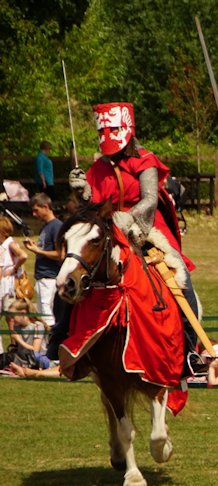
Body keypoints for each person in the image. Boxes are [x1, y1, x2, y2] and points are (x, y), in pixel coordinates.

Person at [65, 102, 200, 373]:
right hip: (105, 233)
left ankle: (188, 348)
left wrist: (128, 218)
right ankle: (69, 342)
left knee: (179, 276)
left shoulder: (144, 160)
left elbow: (150, 199)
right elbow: (93, 206)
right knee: (73, 272)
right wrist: (82, 191)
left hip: (144, 229)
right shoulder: (97, 167)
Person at [22, 193, 62, 328]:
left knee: (48, 317)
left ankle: (51, 347)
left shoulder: (56, 226)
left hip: (50, 278)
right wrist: (35, 246)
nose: (34, 214)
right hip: (42, 278)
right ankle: (45, 348)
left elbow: (60, 254)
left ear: (46, 207)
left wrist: (38, 251)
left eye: (36, 210)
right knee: (42, 317)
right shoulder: (46, 227)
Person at [1, 298, 50, 369]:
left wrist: (18, 339)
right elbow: (15, 348)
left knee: (37, 356)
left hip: (37, 358)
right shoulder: (16, 326)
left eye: (13, 316)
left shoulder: (37, 326)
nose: (11, 319)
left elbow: (35, 350)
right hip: (23, 357)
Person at [0, 216, 28, 301]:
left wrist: (14, 269)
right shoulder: (3, 245)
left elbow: (23, 255)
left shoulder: (9, 243)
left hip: (9, 283)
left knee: (9, 309)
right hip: (4, 282)